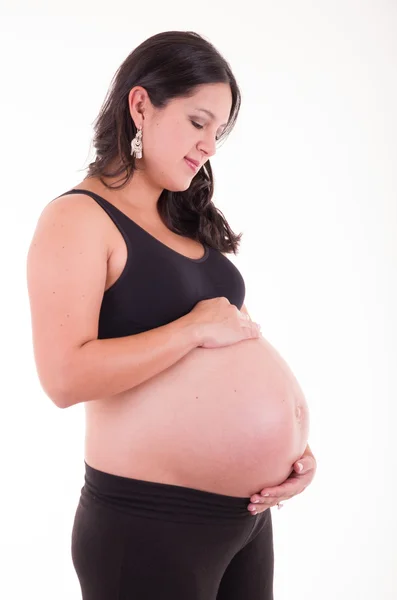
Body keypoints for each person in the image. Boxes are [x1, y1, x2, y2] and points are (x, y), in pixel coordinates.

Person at [26, 30, 317, 600]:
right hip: (149, 522)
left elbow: (234, 341)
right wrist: (191, 329)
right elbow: (63, 379)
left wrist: (292, 451)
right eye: (197, 121)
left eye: (219, 132)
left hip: (247, 519)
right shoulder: (78, 219)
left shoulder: (186, 224)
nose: (210, 144)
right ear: (141, 105)